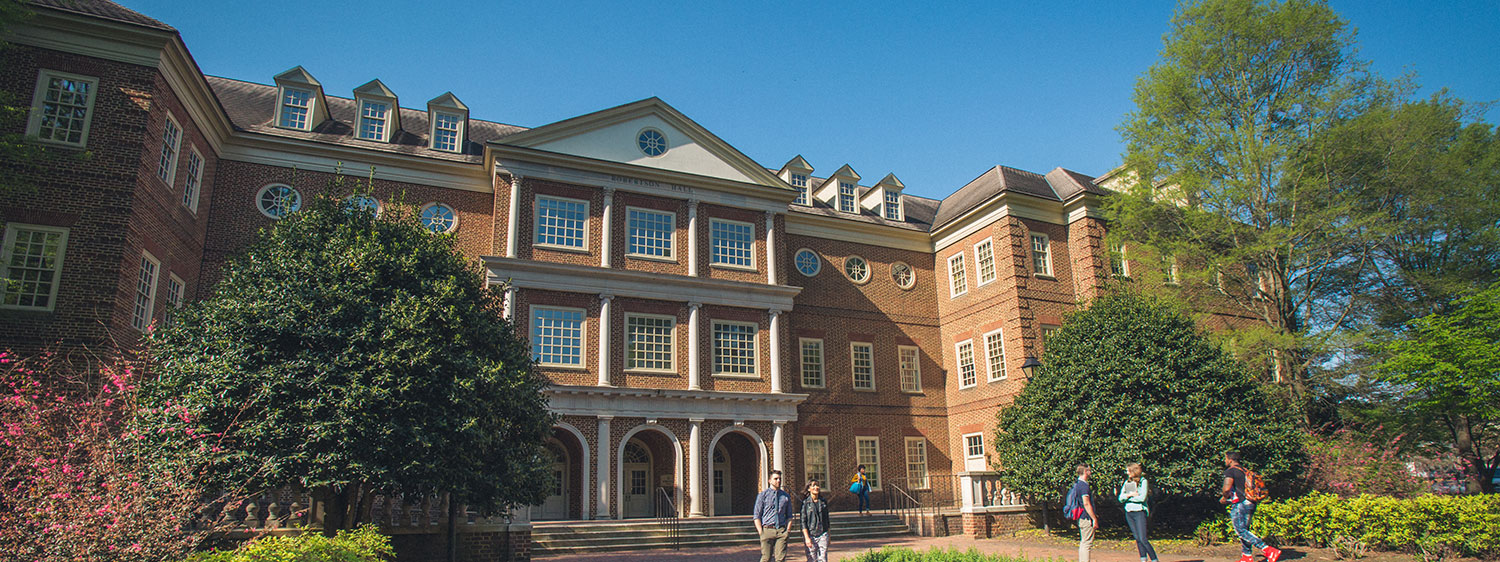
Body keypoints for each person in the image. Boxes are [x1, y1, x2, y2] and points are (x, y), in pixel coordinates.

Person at [1222, 451, 1282, 562]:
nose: (1225, 461)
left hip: (1240, 503)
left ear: (1230, 459)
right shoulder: (1246, 471)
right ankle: (1247, 556)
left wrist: (1224, 498)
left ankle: (1268, 549)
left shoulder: (1230, 471)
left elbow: (1226, 488)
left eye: (1225, 458)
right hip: (1251, 502)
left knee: (1240, 530)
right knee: (1245, 530)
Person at [1118, 463, 1159, 562]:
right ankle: (1143, 559)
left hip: (1139, 511)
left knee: (1143, 538)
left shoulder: (1143, 481)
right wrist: (1130, 495)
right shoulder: (1127, 482)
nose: (1127, 473)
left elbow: (1142, 498)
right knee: (1137, 538)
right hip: (1129, 511)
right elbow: (1120, 498)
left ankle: (1154, 559)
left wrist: (1129, 497)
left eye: (1128, 471)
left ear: (1133, 471)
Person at [753, 469, 794, 562]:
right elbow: (757, 515)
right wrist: (761, 532)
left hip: (781, 531)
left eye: (780, 479)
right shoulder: (762, 495)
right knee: (766, 559)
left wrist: (787, 531)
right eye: (776, 479)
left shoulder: (785, 496)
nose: (778, 481)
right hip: (767, 529)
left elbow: (790, 516)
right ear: (770, 480)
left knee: (780, 559)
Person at [1066, 464, 1099, 562]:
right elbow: (1086, 503)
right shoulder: (1084, 486)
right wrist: (1094, 518)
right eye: (1089, 470)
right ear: (1085, 472)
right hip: (1086, 517)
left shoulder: (1077, 484)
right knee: (1087, 543)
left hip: (1081, 516)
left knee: (1083, 542)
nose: (1090, 472)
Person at [800, 479, 831, 562]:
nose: (816, 487)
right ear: (809, 488)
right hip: (811, 534)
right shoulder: (805, 503)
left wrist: (829, 534)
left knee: (823, 558)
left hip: (823, 533)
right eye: (813, 485)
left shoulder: (823, 502)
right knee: (812, 559)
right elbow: (803, 521)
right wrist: (806, 537)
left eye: (817, 485)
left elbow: (827, 519)